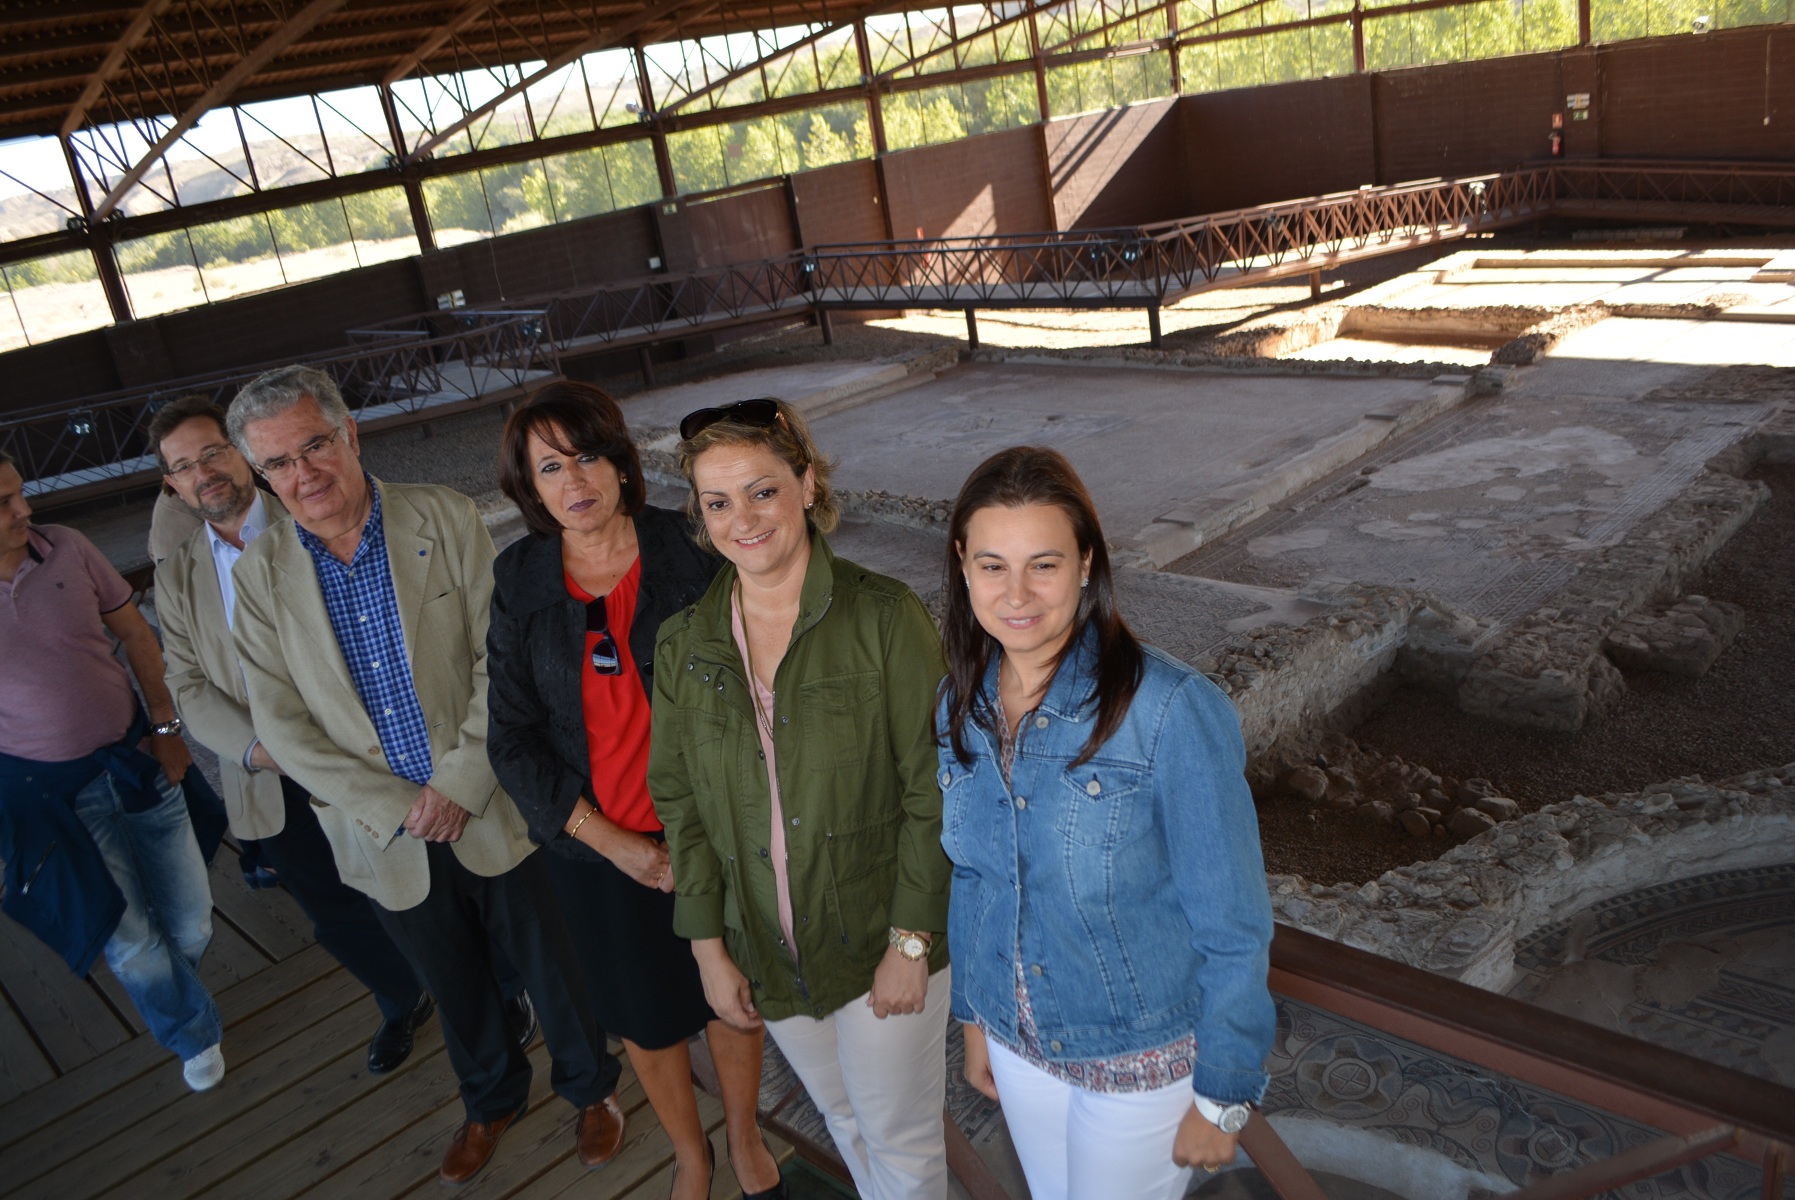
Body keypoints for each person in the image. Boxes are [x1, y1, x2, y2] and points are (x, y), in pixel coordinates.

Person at [225, 365, 623, 1186]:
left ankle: (590, 1089)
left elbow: (499, 663)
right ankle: (489, 1100)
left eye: (315, 445)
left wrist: (457, 784)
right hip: (382, 829)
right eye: (278, 464)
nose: (303, 476)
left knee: (553, 961)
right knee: (451, 978)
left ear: (349, 434)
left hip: (486, 801)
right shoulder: (260, 578)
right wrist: (404, 805)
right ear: (260, 476)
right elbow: (281, 725)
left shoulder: (440, 515)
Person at [934, 446, 1275, 1200]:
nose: (1016, 593)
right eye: (992, 565)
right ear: (961, 565)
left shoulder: (1168, 710)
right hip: (1019, 1042)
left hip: (1138, 1058)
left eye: (1043, 564)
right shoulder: (962, 702)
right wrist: (973, 1018)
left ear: (1086, 563)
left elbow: (1233, 922)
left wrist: (1223, 1093)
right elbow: (975, 876)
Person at [486, 382, 787, 1200]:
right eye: (549, 466)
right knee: (647, 1018)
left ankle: (745, 1136)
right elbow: (508, 737)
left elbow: (759, 675)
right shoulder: (518, 578)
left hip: (713, 829)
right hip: (597, 850)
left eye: (587, 456)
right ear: (529, 485)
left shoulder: (689, 546)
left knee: (730, 997)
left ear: (620, 462)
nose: (573, 480)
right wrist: (609, 841)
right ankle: (690, 1156)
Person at [648, 398, 953, 1200]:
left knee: (903, 1141)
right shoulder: (684, 643)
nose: (741, 518)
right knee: (845, 1121)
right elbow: (679, 803)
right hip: (769, 955)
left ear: (807, 483)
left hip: (876, 944)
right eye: (716, 501)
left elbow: (934, 790)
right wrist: (709, 950)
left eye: (761, 490)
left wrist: (912, 942)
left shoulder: (884, 617)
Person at [148, 395, 435, 1076]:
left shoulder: (314, 514)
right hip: (268, 777)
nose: (204, 474)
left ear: (243, 451)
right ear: (172, 486)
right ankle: (402, 998)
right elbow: (186, 683)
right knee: (334, 909)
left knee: (422, 877)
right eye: (184, 467)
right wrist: (261, 748)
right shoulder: (181, 572)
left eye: (213, 452)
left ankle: (498, 991)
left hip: (360, 754)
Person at [0, 448, 226, 1092]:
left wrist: (165, 727)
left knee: (191, 920)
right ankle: (192, 1031)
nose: (26, 509)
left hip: (135, 759)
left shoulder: (66, 547)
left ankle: (172, 988)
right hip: (51, 797)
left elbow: (136, 634)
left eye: (21, 492)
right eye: (4, 503)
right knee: (130, 941)